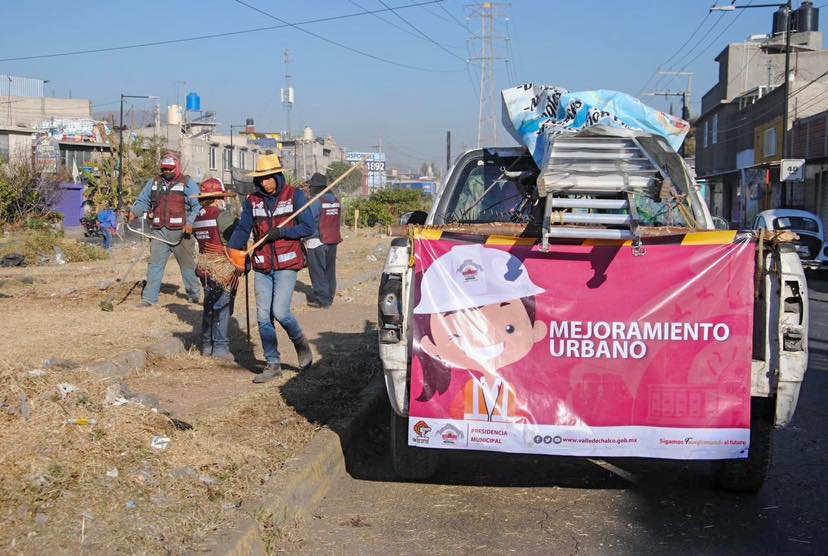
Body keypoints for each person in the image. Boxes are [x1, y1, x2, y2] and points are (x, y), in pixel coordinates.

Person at [227, 154, 314, 383]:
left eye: (268, 178)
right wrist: (236, 253)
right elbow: (243, 229)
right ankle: (272, 363)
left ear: (277, 176)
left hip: (287, 263)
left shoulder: (294, 195)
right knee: (263, 316)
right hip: (262, 265)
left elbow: (308, 227)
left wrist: (282, 232)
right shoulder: (252, 200)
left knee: (281, 312)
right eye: (261, 179)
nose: (265, 183)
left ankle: (301, 344)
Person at [130, 152, 202, 307]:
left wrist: (190, 223)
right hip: (159, 231)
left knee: (187, 265)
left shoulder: (188, 183)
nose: (167, 172)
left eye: (170, 169)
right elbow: (143, 200)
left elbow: (197, 206)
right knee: (154, 264)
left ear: (176, 167)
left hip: (182, 233)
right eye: (164, 169)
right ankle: (149, 299)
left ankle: (194, 294)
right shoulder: (154, 182)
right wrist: (134, 212)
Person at [193, 177, 238, 360]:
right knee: (223, 306)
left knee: (209, 305)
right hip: (222, 266)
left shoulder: (198, 217)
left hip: (204, 266)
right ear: (218, 198)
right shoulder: (222, 216)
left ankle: (206, 346)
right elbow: (235, 239)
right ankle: (220, 349)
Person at [303, 172, 342, 308]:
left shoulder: (316, 201)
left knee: (317, 271)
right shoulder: (335, 200)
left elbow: (308, 220)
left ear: (315, 187)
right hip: (333, 240)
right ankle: (329, 295)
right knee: (329, 271)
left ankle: (322, 299)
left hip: (316, 241)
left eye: (311, 186)